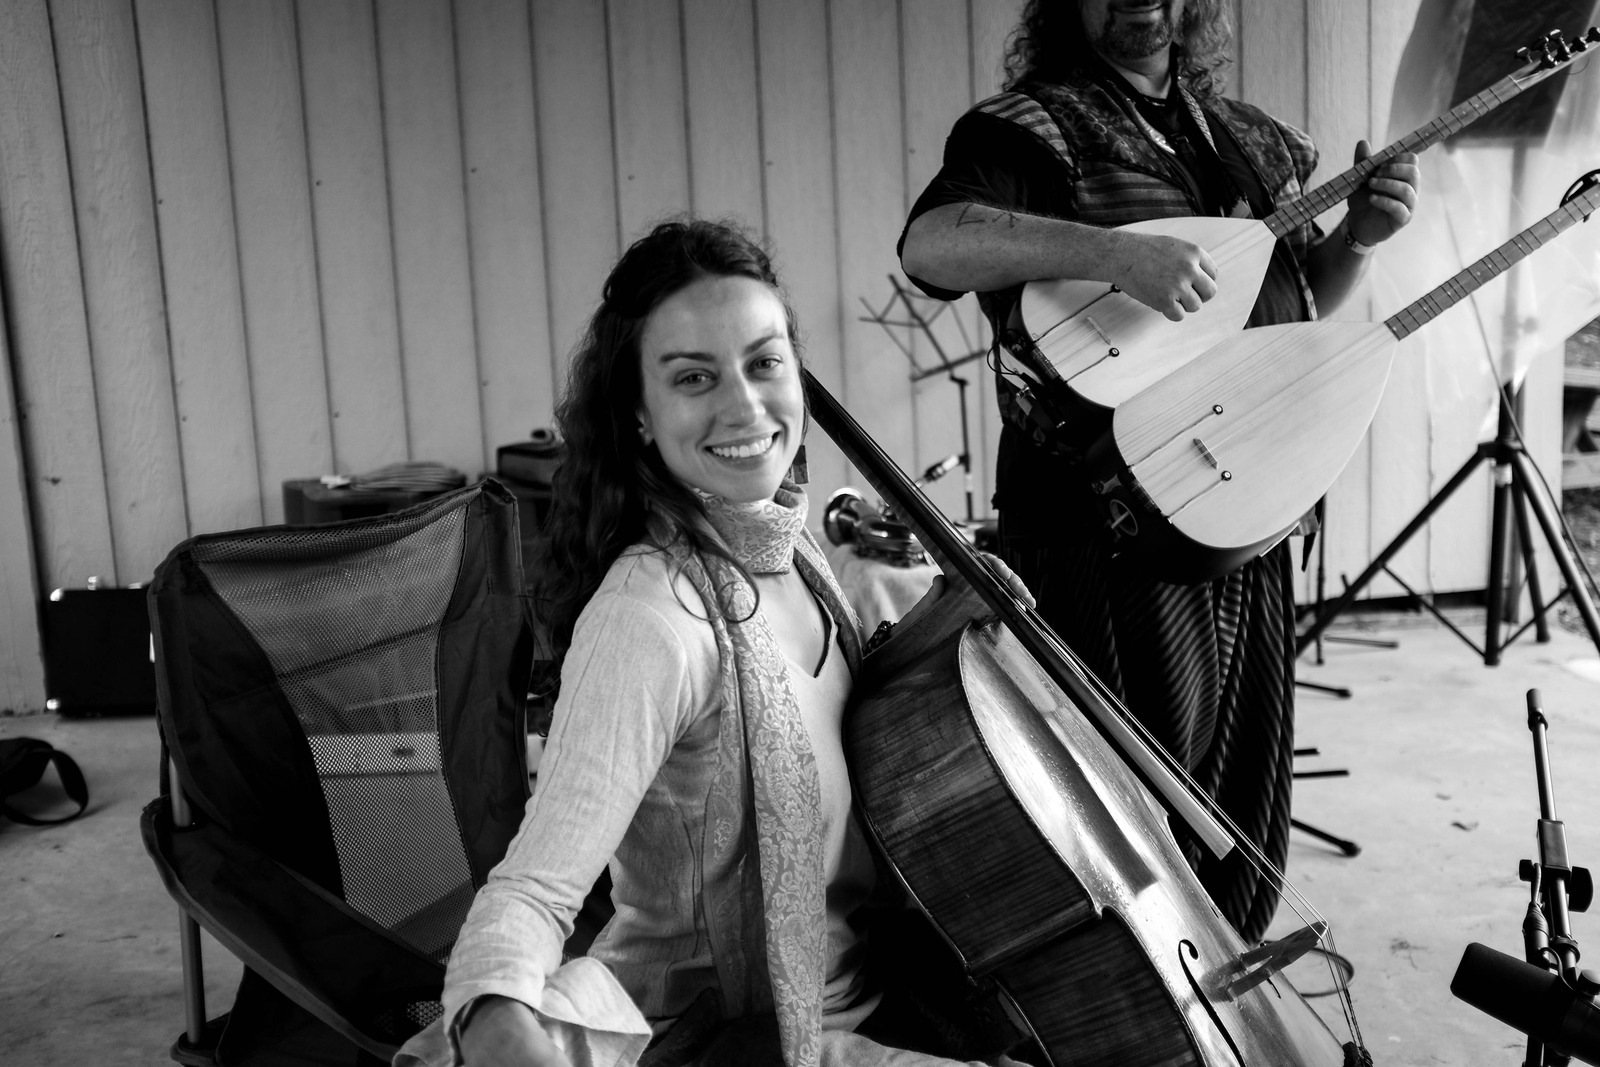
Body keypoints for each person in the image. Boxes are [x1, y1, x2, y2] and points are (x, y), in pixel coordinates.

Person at [395, 219, 1030, 1067]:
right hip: (735, 1042)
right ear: (642, 418)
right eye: (694, 377)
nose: (744, 406)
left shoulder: (796, 553)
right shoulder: (650, 618)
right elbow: (535, 887)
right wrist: (494, 1018)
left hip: (883, 993)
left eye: (764, 363)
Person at [897, 0, 1421, 942]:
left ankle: (1216, 996)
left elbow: (1299, 305)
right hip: (1096, 530)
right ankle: (1130, 1010)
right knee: (1120, 813)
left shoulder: (1255, 143)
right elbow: (931, 244)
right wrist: (1109, 254)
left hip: (1241, 511)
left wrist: (1358, 241)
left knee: (1239, 807)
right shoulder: (1033, 129)